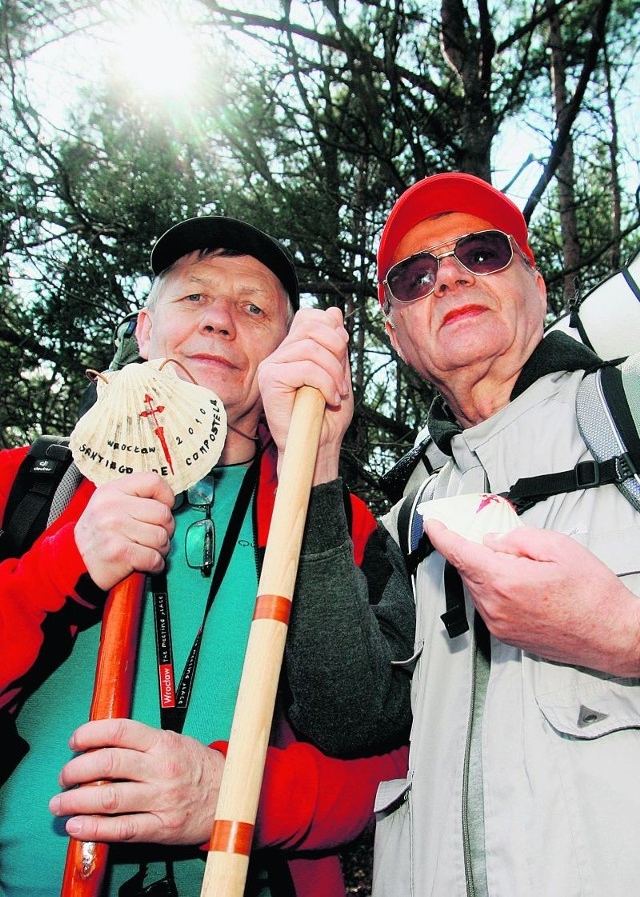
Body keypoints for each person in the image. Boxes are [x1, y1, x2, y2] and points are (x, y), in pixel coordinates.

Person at [0, 214, 413, 897]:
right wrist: (60, 565)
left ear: (285, 353)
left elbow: (388, 763)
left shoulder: (340, 526)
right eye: (194, 296)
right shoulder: (25, 487)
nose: (220, 319)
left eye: (254, 308)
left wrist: (237, 794)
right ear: (143, 329)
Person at [258, 172, 640, 896]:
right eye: (415, 275)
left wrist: (627, 635)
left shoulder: (628, 410)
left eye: (485, 253)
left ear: (537, 286)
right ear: (399, 337)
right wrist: (314, 466)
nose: (450, 277)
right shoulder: (404, 520)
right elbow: (350, 721)